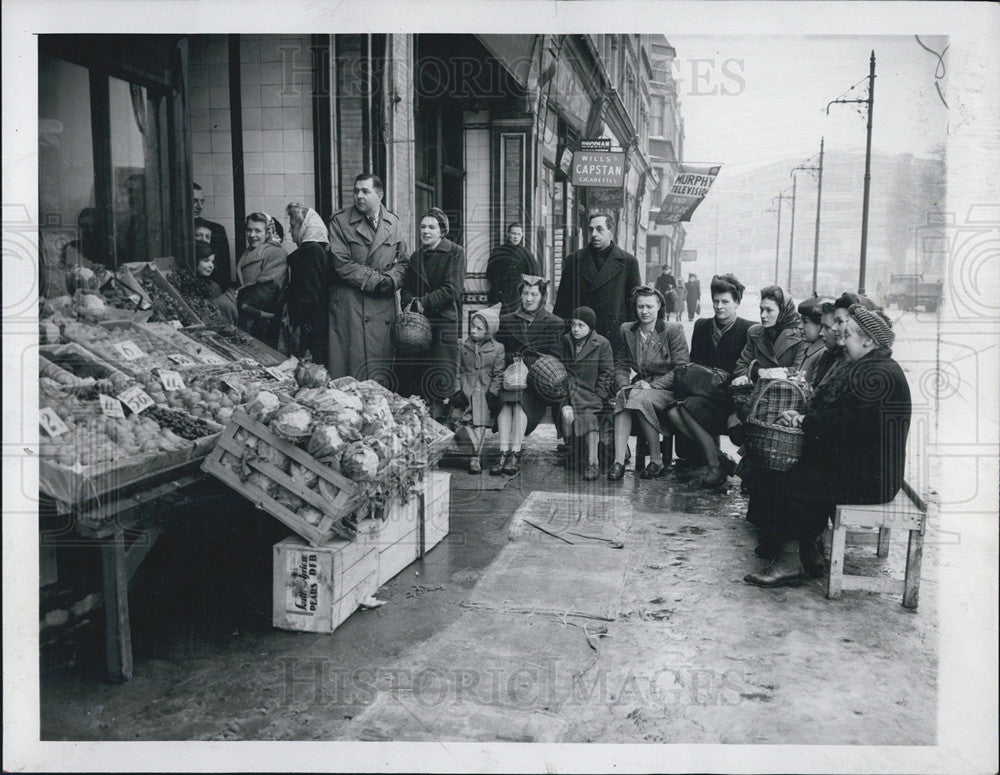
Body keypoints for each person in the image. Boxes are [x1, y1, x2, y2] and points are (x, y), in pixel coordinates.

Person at [744, 305, 911, 588]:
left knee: (796, 478)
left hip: (875, 478)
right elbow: (846, 421)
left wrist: (805, 422)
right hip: (868, 467)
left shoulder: (878, 374)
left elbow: (848, 423)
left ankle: (790, 563)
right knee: (802, 467)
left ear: (868, 341)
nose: (842, 341)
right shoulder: (871, 367)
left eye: (848, 336)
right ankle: (807, 555)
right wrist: (806, 422)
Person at [664, 273, 753, 487]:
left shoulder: (748, 329)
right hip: (705, 396)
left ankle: (715, 465)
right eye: (716, 301)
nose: (719, 306)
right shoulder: (702, 326)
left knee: (684, 409)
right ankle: (720, 458)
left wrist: (738, 409)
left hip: (732, 400)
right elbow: (694, 366)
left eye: (725, 302)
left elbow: (749, 373)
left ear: (737, 303)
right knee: (673, 411)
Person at [327, 173, 410, 384]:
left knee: (380, 372)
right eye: (356, 191)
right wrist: (376, 281)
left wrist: (391, 281)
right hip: (351, 305)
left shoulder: (394, 222)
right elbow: (341, 263)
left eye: (365, 191)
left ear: (379, 195)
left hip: (383, 306)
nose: (359, 196)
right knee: (350, 376)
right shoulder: (340, 222)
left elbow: (404, 262)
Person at [608, 286, 690, 481]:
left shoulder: (672, 330)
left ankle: (656, 459)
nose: (644, 311)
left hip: (668, 390)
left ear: (659, 305)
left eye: (649, 306)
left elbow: (682, 369)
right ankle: (618, 462)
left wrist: (653, 386)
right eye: (640, 306)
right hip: (641, 387)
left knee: (639, 397)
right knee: (624, 396)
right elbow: (621, 364)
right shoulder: (628, 330)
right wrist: (623, 384)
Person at [491, 275, 564, 476]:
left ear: (542, 297)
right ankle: (503, 452)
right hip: (512, 377)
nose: (528, 299)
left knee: (519, 401)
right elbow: (499, 350)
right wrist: (514, 360)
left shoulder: (554, 323)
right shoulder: (506, 321)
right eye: (525, 293)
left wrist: (528, 364)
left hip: (537, 382)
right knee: (508, 401)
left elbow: (556, 357)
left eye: (534, 294)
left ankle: (515, 452)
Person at [397, 207, 467, 416]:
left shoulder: (455, 252)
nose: (426, 231)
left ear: (442, 230)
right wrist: (411, 302)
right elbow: (407, 288)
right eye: (423, 227)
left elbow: (452, 289)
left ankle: (440, 426)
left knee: (438, 382)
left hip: (442, 324)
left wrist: (423, 303)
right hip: (416, 329)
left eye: (431, 227)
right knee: (417, 380)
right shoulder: (417, 256)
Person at [553, 211, 641, 358]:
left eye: (599, 229)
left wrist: (631, 341)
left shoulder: (628, 262)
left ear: (611, 232)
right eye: (591, 229)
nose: (594, 234)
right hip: (579, 335)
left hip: (613, 337)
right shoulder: (573, 261)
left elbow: (633, 306)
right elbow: (562, 304)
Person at [559, 306, 615, 481]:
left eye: (580, 325)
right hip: (568, 393)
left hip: (591, 394)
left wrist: (598, 395)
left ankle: (593, 463)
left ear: (590, 327)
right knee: (566, 413)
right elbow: (558, 368)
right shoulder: (565, 341)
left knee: (590, 415)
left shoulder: (602, 344)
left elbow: (607, 373)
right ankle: (573, 452)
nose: (575, 329)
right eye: (573, 324)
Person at [215, 212, 288, 344]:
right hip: (246, 312)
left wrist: (237, 297)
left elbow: (270, 286)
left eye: (258, 231)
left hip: (261, 317)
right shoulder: (250, 251)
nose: (252, 235)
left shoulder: (277, 253)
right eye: (249, 230)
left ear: (268, 232)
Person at [451, 303, 505, 474]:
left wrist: (493, 393)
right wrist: (457, 390)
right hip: (466, 389)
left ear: (489, 331)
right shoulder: (462, 345)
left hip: (483, 392)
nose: (473, 331)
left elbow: (498, 373)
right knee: (459, 421)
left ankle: (475, 458)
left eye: (479, 328)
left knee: (479, 424)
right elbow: (457, 370)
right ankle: (469, 452)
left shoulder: (498, 349)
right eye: (472, 326)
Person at [281, 202, 331, 366]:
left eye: (293, 225)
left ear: (305, 227)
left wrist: (302, 330)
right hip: (313, 325)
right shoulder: (314, 250)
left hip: (310, 328)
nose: (289, 230)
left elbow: (311, 295)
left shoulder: (311, 251)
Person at [731, 285, 807, 387]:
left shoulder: (800, 335)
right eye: (761, 309)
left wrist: (759, 372)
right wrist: (744, 377)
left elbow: (798, 371)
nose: (763, 315)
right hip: (756, 394)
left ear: (783, 311)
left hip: (786, 396)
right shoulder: (754, 332)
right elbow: (742, 365)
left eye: (769, 310)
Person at [485, 222, 539, 316]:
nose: (516, 237)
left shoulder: (527, 254)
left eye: (519, 234)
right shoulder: (498, 251)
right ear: (508, 234)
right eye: (513, 233)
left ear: (522, 235)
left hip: (517, 297)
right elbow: (490, 273)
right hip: (499, 296)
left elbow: (534, 277)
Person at [193, 182, 232, 290]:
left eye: (202, 201)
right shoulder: (176, 230)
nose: (199, 206)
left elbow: (224, 268)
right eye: (194, 201)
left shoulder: (216, 229)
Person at [797, 297, 833, 384]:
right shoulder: (812, 349)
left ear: (820, 325)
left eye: (805, 321)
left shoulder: (822, 353)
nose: (800, 326)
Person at [116, 173, 149, 262]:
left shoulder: (153, 222)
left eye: (138, 192)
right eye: (130, 191)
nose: (132, 197)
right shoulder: (129, 222)